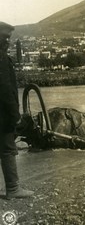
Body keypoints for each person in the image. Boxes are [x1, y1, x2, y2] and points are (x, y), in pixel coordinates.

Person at [0, 21, 34, 199]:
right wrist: (15, 115)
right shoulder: (2, 58)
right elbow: (6, 90)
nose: (8, 41)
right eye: (5, 38)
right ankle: (13, 188)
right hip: (3, 115)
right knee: (7, 149)